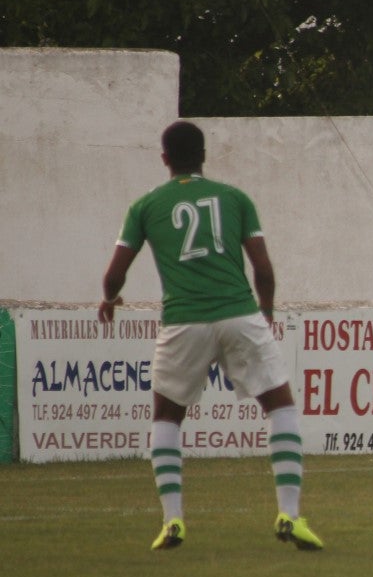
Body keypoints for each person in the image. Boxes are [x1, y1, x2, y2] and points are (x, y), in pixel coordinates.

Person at [97, 121, 324, 551]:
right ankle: (290, 515)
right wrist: (268, 313)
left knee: (166, 417)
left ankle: (172, 522)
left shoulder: (145, 206)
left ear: (164, 158)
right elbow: (264, 270)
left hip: (183, 320)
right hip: (240, 313)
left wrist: (110, 299)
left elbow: (114, 275)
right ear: (204, 155)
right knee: (279, 406)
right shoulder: (235, 198)